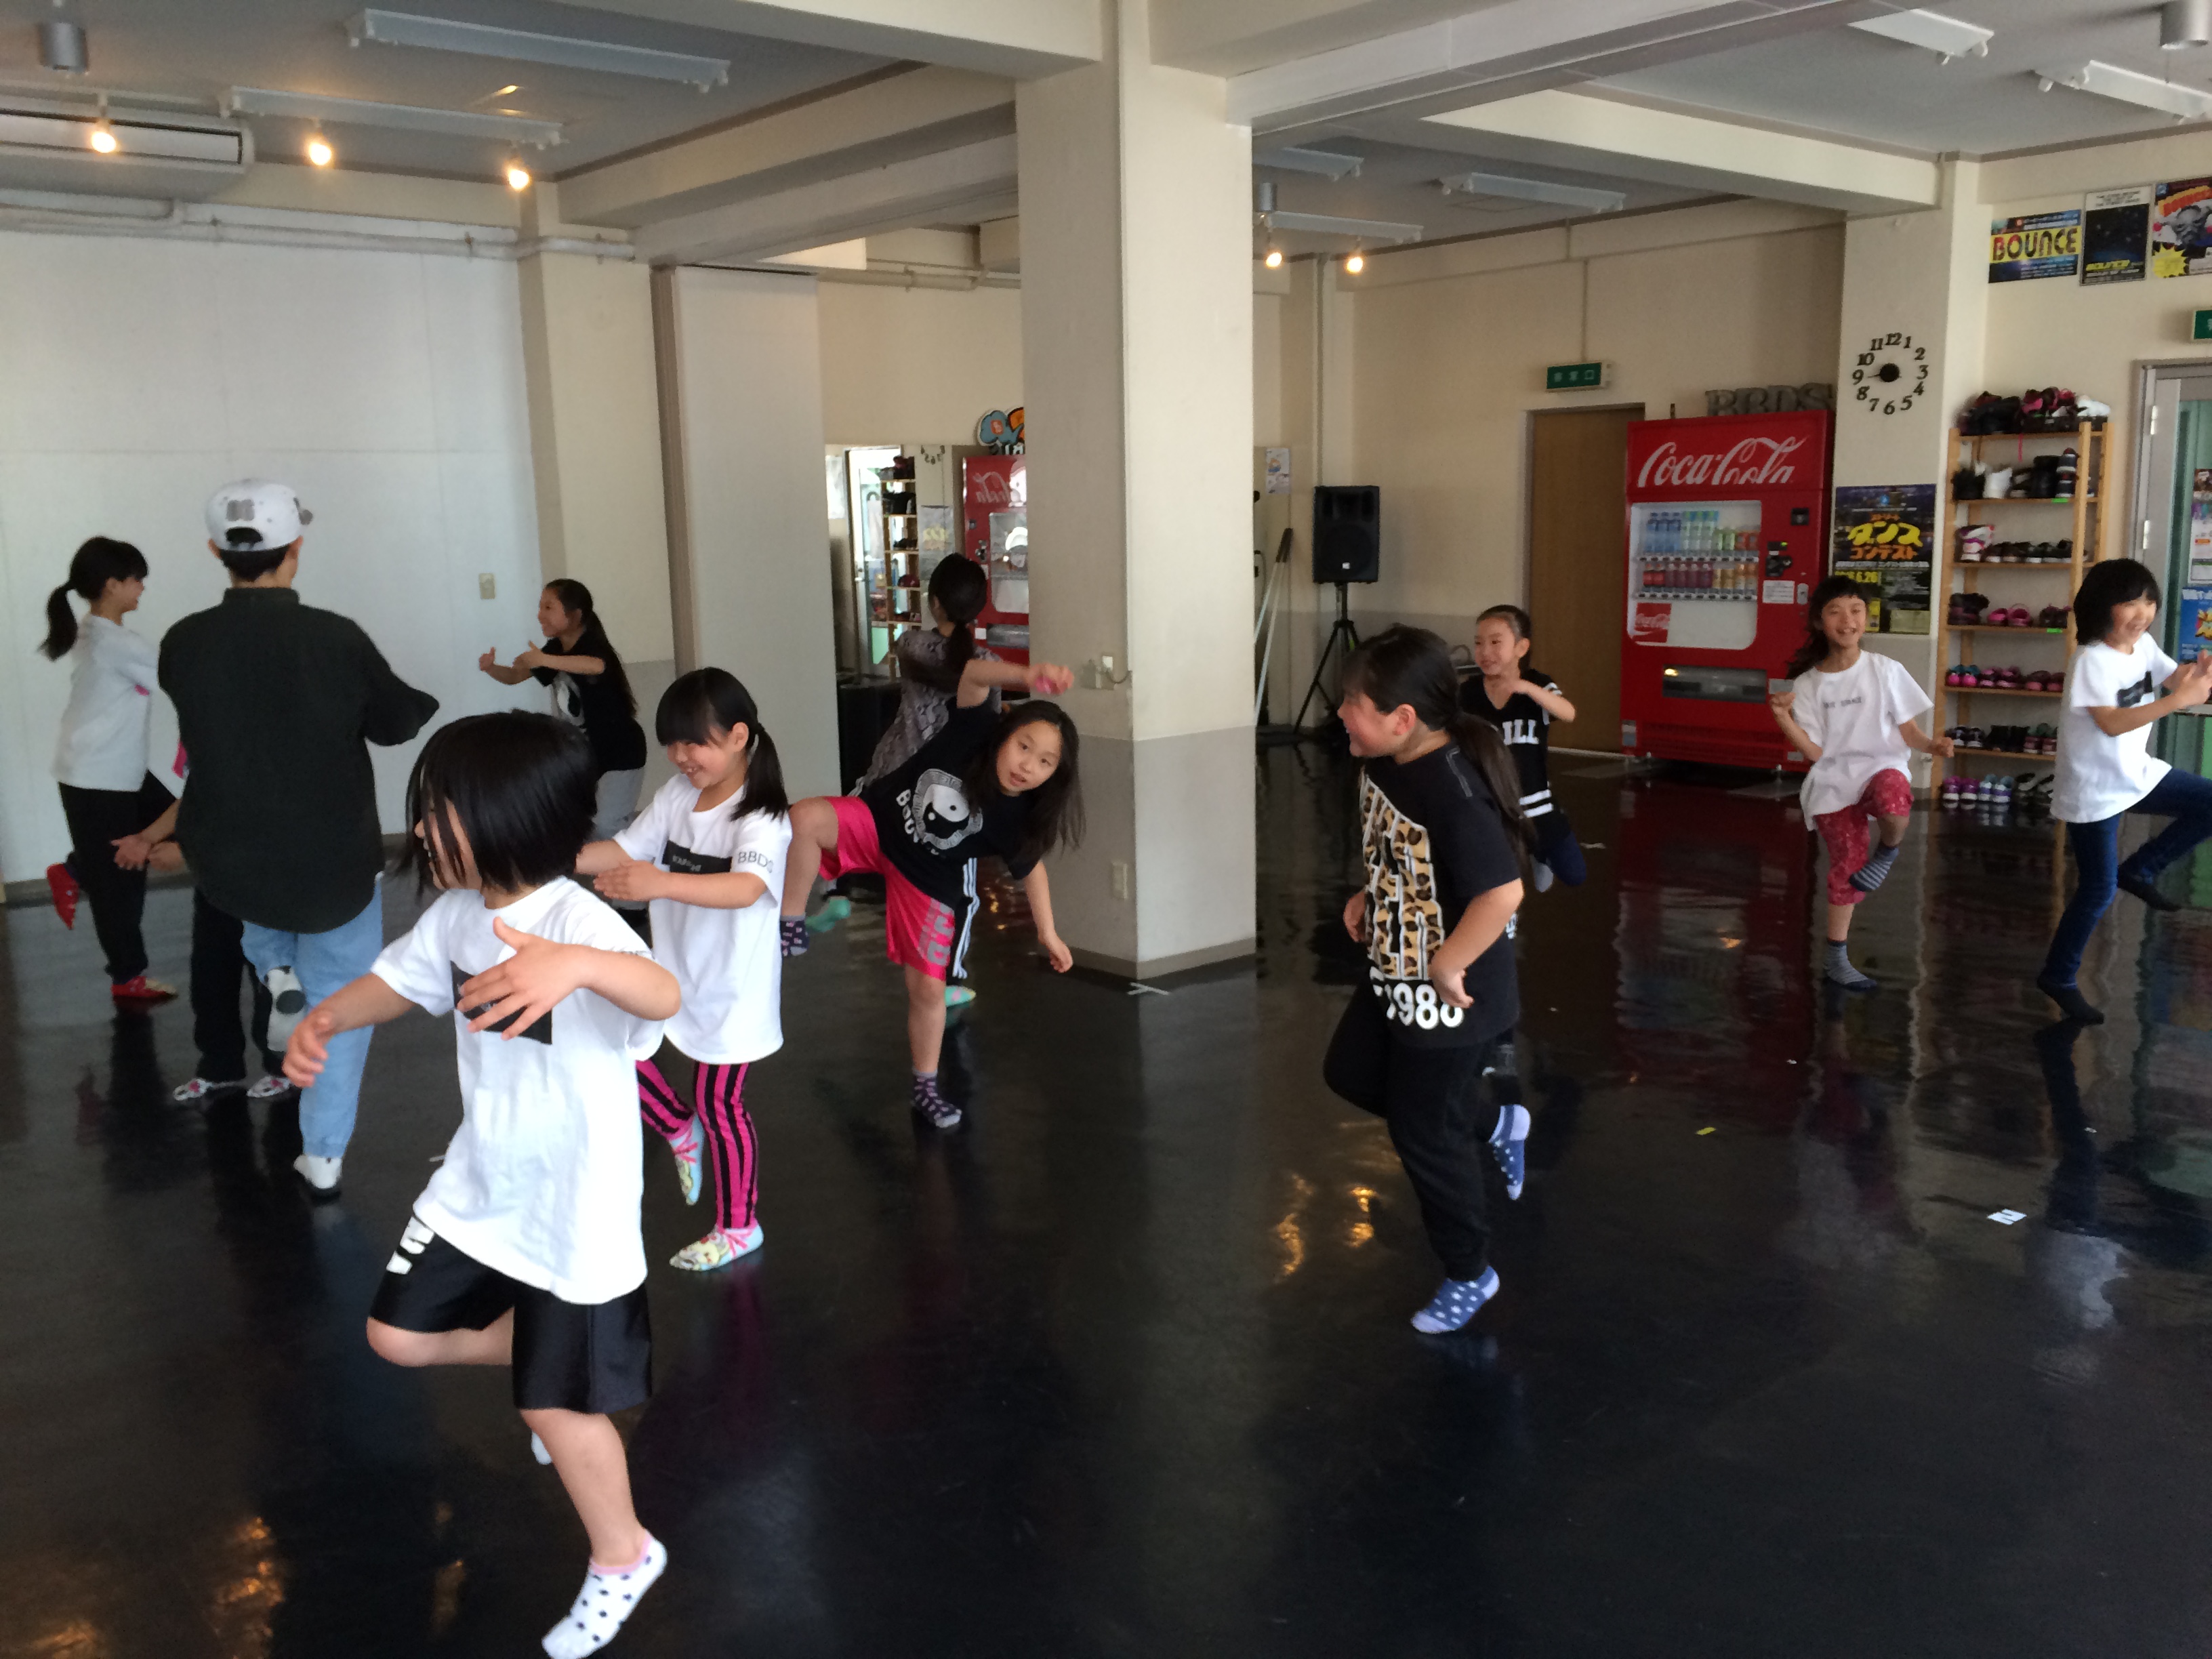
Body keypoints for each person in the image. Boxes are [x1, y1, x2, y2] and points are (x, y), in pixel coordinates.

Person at [282, 712, 680, 1659]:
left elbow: (662, 995)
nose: (424, 829)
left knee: (553, 1408)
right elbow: (401, 982)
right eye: (426, 810)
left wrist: (578, 964)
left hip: (576, 1205)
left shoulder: (577, 922)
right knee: (396, 1335)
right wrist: (327, 1018)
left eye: (442, 811)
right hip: (483, 1181)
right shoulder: (460, 914)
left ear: (512, 818)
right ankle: (551, 1364)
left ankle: (624, 1553)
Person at [160, 478, 439, 1195]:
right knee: (340, 1002)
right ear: (297, 548)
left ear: (216, 551)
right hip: (331, 861)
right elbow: (395, 723)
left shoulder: (183, 642)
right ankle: (322, 1155)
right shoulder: (334, 638)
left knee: (256, 899)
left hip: (230, 853)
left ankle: (274, 971)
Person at [1324, 624, 1530, 1336]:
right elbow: (1407, 856)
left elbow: (1502, 892)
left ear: (1402, 718)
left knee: (1424, 1135)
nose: (1341, 715)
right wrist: (1370, 891)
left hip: (1452, 996)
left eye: (1354, 704)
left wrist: (1449, 962)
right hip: (1394, 965)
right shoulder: (1384, 765)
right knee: (1351, 1073)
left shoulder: (1451, 789)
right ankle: (1497, 1122)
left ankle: (1471, 1273)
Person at [781, 659, 1081, 1130]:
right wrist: (1026, 677)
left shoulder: (1016, 818)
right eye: (1024, 747)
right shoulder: (974, 730)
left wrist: (1049, 934)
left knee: (929, 989)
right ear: (1005, 735)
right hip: (876, 827)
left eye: (1045, 762)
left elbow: (1033, 871)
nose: (1028, 766)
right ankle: (791, 923)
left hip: (927, 880)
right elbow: (975, 674)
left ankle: (925, 1086)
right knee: (805, 817)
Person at [576, 670, 791, 1271]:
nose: (680, 756)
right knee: (620, 1047)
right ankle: (676, 1127)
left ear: (739, 737)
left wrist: (660, 883)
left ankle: (740, 1227)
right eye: (672, 743)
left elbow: (747, 888)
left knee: (720, 1104)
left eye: (695, 742)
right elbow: (623, 851)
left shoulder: (762, 816)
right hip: (672, 973)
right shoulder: (676, 795)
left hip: (731, 989)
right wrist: (543, 856)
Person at [2038, 558, 2212, 1023]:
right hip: (2094, 787)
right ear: (2102, 606)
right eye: (2130, 603)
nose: (2143, 613)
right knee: (2097, 890)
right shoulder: (2091, 659)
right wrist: (2178, 700)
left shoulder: (2143, 645)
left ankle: (2141, 869)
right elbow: (2112, 723)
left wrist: (2198, 679)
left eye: (2149, 602)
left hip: (2135, 773)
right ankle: (2058, 977)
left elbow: (2176, 679)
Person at [1767, 577, 1954, 992]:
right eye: (1835, 611)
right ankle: (1837, 959)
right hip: (1833, 782)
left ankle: (1887, 851)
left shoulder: (1885, 670)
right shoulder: (1807, 684)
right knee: (1847, 868)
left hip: (1881, 767)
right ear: (1819, 622)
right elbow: (1815, 753)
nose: (1847, 620)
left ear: (1867, 618)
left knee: (1893, 799)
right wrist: (1782, 718)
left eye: (1856, 610)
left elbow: (1909, 732)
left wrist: (1933, 745)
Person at [41, 536, 178, 1002]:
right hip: (98, 776)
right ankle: (127, 978)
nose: (142, 587)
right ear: (111, 585)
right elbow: (179, 677)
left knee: (185, 821)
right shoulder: (117, 643)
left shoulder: (92, 631)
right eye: (136, 579)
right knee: (120, 881)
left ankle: (78, 868)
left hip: (112, 768)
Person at [480, 579, 649, 848]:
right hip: (584, 753)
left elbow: (596, 666)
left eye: (549, 607)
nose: (540, 615)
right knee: (577, 822)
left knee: (608, 825)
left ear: (575, 615)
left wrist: (544, 660)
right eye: (540, 607)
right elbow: (514, 677)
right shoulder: (554, 649)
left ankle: (631, 870)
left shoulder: (593, 646)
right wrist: (491, 668)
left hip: (621, 751)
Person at [1459, 604, 1586, 893]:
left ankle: (1540, 855)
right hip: (1493, 807)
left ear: (1521, 647)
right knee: (1498, 885)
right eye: (1478, 643)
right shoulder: (1468, 693)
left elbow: (1568, 713)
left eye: (1495, 642)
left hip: (1538, 804)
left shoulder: (1538, 684)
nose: (1485, 652)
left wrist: (1527, 689)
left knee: (1574, 873)